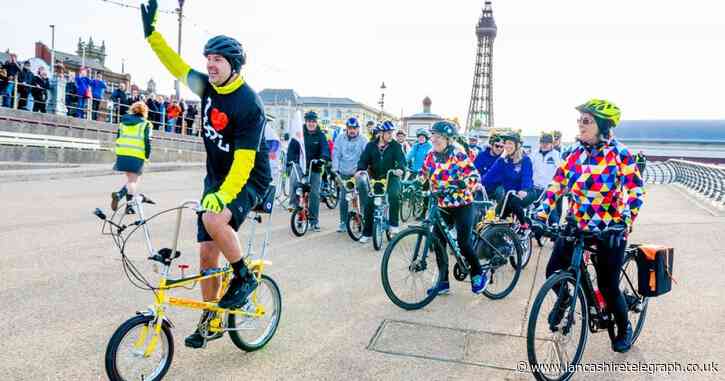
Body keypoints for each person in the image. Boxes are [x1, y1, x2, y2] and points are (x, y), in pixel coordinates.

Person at [141, 0, 272, 348]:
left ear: (234, 64)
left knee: (214, 218)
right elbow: (175, 64)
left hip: (248, 180)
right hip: (216, 179)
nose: (210, 65)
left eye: (218, 60)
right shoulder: (207, 86)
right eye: (209, 59)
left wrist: (223, 196)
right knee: (205, 255)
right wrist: (152, 34)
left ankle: (244, 278)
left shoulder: (248, 104)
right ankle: (211, 318)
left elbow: (244, 164)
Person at [533, 99, 644, 353]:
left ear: (602, 125)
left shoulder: (620, 153)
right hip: (576, 225)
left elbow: (635, 191)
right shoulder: (573, 153)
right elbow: (556, 185)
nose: (580, 125)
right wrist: (541, 214)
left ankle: (624, 326)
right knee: (553, 270)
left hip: (609, 230)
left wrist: (624, 223)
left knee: (608, 284)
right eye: (579, 120)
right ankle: (566, 299)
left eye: (587, 121)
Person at [421, 121, 489, 295]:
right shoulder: (430, 155)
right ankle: (443, 282)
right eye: (433, 135)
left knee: (463, 243)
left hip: (462, 204)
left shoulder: (458, 154)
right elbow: (424, 174)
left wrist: (463, 182)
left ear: (448, 139)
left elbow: (474, 176)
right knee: (438, 242)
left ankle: (478, 274)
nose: (434, 139)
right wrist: (415, 183)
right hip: (442, 204)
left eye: (438, 136)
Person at [355, 120, 406, 243]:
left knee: (394, 195)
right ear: (381, 133)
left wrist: (400, 169)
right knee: (369, 203)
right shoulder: (371, 145)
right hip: (377, 178)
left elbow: (401, 160)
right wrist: (360, 170)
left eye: (391, 133)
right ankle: (367, 232)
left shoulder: (395, 146)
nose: (391, 135)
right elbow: (363, 160)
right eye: (388, 133)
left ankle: (393, 225)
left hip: (391, 176)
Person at [286, 110, 331, 232]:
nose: (311, 123)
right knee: (294, 179)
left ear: (316, 123)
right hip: (301, 165)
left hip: (314, 167)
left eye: (313, 121)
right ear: (305, 122)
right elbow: (291, 149)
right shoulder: (299, 133)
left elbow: (325, 149)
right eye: (309, 121)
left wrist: (323, 159)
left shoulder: (320, 135)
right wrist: (290, 161)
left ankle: (313, 221)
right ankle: (294, 205)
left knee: (314, 193)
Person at [482, 131, 536, 228]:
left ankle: (524, 224)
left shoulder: (525, 160)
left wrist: (524, 190)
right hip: (509, 195)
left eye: (510, 143)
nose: (507, 146)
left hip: (526, 193)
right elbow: (488, 177)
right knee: (497, 217)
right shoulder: (504, 160)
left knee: (514, 202)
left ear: (517, 145)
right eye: (506, 143)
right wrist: (501, 158)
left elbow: (526, 177)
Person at [110, 101, 153, 214]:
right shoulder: (146, 124)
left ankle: (129, 207)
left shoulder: (123, 122)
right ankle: (119, 195)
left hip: (122, 153)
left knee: (130, 180)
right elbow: (147, 142)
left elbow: (118, 137)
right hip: (136, 155)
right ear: (144, 112)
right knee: (133, 182)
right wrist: (147, 156)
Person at [332, 117, 368, 232]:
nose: (352, 130)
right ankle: (343, 222)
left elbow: (366, 156)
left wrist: (362, 170)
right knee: (343, 198)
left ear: (358, 129)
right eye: (350, 128)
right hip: (344, 173)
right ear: (346, 128)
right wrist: (335, 170)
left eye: (354, 128)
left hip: (358, 173)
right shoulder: (339, 138)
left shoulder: (363, 140)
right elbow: (336, 154)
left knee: (363, 187)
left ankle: (364, 216)